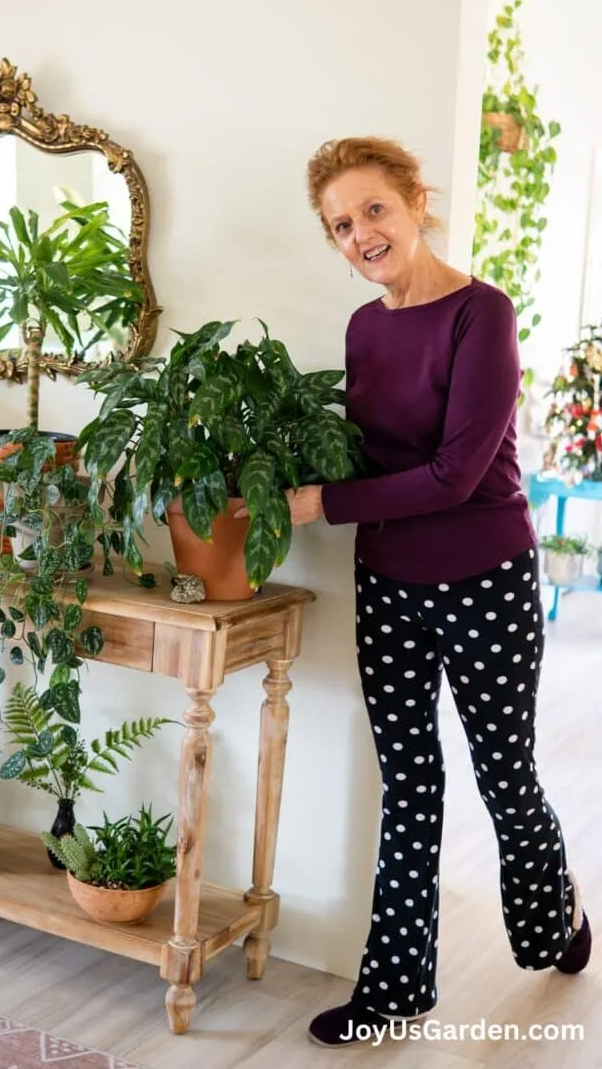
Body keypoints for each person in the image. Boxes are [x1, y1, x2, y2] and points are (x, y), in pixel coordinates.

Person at [290, 137, 592, 1048]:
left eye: (373, 210)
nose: (360, 235)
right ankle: (394, 992)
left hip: (486, 580)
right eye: (341, 225)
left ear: (418, 202)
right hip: (387, 583)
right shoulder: (362, 328)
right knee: (409, 785)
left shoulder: (481, 314)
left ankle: (556, 926)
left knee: (505, 777)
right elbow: (373, 455)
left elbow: (458, 474)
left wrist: (323, 504)